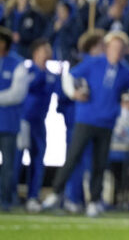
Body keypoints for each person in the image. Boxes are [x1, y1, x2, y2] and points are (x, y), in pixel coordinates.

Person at [43, 31, 129, 217]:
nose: (117, 51)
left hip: (107, 122)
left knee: (99, 163)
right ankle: (55, 193)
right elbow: (69, 75)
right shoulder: (94, 62)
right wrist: (72, 93)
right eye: (114, 47)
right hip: (86, 119)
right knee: (73, 157)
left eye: (120, 48)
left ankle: (93, 200)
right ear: (107, 47)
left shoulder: (125, 71)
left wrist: (128, 102)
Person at [19, 39, 54, 212]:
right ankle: (8, 196)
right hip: (23, 120)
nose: (48, 54)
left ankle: (33, 196)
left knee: (38, 160)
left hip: (40, 121)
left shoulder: (51, 74)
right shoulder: (27, 70)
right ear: (35, 53)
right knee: (16, 160)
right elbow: (28, 86)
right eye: (44, 51)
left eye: (49, 51)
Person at [0, 26, 29, 211]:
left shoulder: (18, 64)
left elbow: (18, 94)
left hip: (9, 123)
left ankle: (5, 200)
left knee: (8, 165)